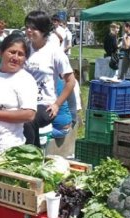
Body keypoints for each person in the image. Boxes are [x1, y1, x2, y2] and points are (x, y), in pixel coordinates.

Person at [23, 10, 76, 147]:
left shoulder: (55, 52)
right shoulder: (23, 49)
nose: (29, 31)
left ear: (43, 30)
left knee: (29, 120)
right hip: (22, 101)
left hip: (44, 104)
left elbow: (71, 81)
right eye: (27, 27)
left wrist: (57, 104)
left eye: (33, 28)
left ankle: (29, 155)